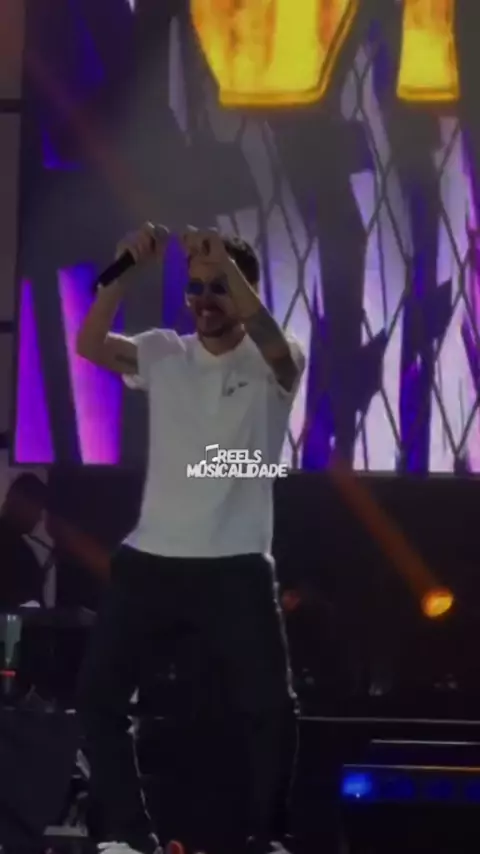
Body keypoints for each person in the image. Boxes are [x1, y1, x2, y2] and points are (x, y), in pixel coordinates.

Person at [76, 223, 305, 854]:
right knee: (97, 700)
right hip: (151, 559)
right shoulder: (163, 352)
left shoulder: (275, 356)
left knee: (271, 710)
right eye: (194, 288)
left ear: (245, 290)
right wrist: (122, 268)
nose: (204, 300)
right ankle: (131, 838)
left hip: (235, 563)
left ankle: (265, 840)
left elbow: (269, 341)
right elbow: (89, 344)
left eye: (218, 287)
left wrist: (224, 263)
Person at [0, 473, 48, 609]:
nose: (39, 518)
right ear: (21, 503)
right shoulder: (22, 555)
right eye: (38, 509)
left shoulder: (23, 552)